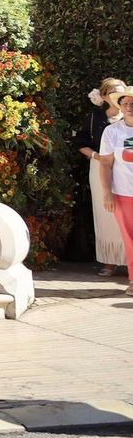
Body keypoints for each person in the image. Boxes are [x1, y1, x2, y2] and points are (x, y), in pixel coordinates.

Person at [80, 77, 128, 274]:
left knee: (126, 214)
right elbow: (81, 142)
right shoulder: (95, 118)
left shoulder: (129, 117)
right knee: (105, 214)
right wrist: (96, 156)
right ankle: (109, 261)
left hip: (126, 170)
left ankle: (129, 261)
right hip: (101, 168)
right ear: (104, 96)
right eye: (113, 92)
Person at [99, 84, 133, 293]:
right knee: (130, 238)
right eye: (126, 103)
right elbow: (105, 164)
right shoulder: (112, 131)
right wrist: (107, 193)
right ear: (120, 106)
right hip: (124, 194)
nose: (130, 107)